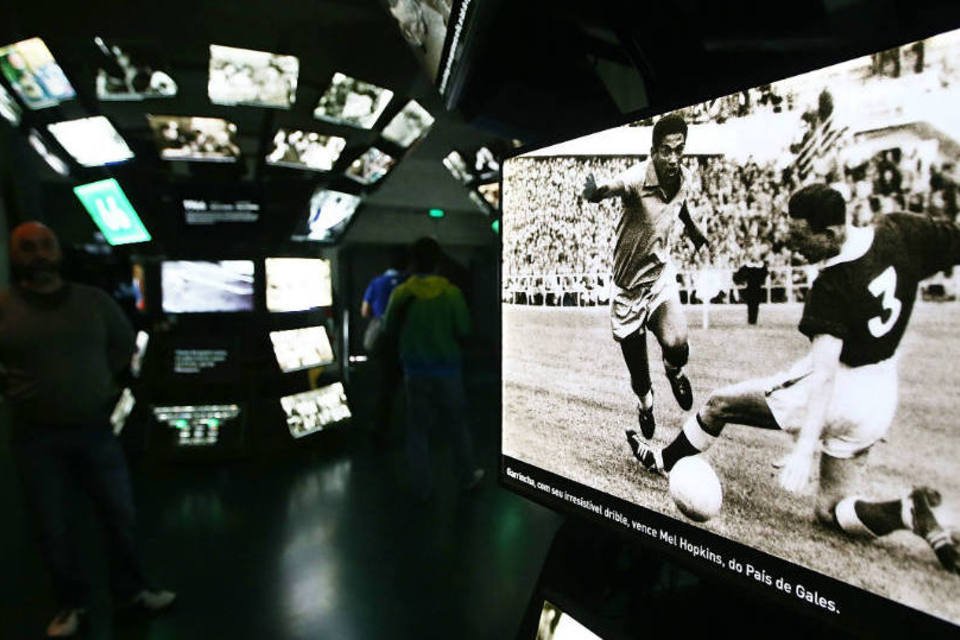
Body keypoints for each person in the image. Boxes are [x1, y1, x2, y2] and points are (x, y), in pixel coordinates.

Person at [629, 185, 960, 575]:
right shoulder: (901, 230)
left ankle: (662, 460)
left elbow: (823, 377)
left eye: (802, 237)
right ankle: (906, 512)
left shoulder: (833, 285)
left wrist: (804, 448)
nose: (793, 244)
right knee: (830, 510)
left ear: (831, 234)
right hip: (880, 396)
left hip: (840, 387)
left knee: (719, 404)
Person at [0, 222, 175, 638]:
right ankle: (70, 603)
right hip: (35, 434)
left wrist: (103, 383)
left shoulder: (93, 302)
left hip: (95, 427)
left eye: (46, 245)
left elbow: (124, 342)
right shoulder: (5, 306)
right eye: (28, 248)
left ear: (59, 251)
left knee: (120, 516)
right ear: (15, 254)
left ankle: (130, 592)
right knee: (52, 525)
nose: (39, 254)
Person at [581, 113, 709, 441]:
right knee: (640, 379)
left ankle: (674, 371)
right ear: (653, 151)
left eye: (679, 150)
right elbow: (616, 186)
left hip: (658, 278)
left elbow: (677, 204)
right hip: (627, 290)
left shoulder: (684, 178)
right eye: (666, 151)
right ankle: (645, 403)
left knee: (678, 344)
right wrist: (596, 193)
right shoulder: (638, 178)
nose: (673, 158)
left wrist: (692, 228)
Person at [382, 237, 483, 500]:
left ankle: (422, 486)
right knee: (457, 425)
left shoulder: (401, 293)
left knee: (417, 430)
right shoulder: (451, 293)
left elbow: (388, 328)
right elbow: (463, 329)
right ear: (439, 262)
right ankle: (467, 476)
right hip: (448, 370)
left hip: (415, 372)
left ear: (413, 262)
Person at [361, 250, 407, 444]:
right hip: (405, 339)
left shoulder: (376, 282)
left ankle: (380, 428)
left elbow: (365, 311)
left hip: (382, 341)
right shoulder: (409, 284)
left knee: (383, 386)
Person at [733, 248, 768, 325]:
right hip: (750, 287)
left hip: (758, 287)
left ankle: (754, 320)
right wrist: (742, 282)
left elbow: (765, 275)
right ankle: (750, 320)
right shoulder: (747, 265)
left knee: (756, 304)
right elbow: (738, 276)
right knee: (750, 304)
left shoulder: (761, 265)